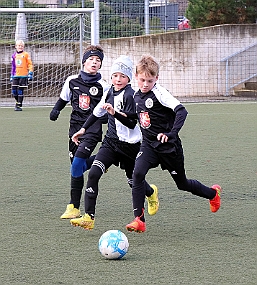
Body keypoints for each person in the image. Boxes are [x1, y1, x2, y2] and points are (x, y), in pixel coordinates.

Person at [125, 55, 222, 233]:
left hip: (169, 148)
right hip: (149, 146)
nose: (145, 84)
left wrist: (171, 134)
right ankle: (139, 220)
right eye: (142, 80)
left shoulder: (160, 93)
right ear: (136, 76)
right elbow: (137, 118)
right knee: (137, 174)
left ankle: (213, 194)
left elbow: (181, 111)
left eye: (150, 80)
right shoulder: (136, 95)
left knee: (182, 184)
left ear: (157, 78)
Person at [69, 55, 147, 230]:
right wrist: (82, 130)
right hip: (110, 143)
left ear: (128, 78)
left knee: (134, 181)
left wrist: (114, 113)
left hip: (129, 147)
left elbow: (131, 123)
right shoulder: (109, 91)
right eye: (115, 75)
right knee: (94, 173)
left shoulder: (130, 96)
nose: (118, 80)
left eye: (122, 76)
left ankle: (150, 195)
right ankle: (89, 217)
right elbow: (96, 113)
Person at [49, 45, 110, 219]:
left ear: (100, 65)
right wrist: (56, 110)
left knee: (76, 165)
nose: (94, 62)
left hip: (92, 129)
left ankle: (73, 206)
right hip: (74, 128)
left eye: (98, 60)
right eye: (91, 59)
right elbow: (63, 98)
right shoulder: (72, 81)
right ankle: (102, 161)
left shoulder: (103, 86)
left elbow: (107, 107)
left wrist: (105, 117)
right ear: (84, 62)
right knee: (77, 167)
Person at [10, 39, 34, 111]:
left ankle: (18, 105)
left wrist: (30, 73)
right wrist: (11, 75)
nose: (20, 47)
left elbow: (30, 64)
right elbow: (13, 66)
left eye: (21, 46)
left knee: (20, 90)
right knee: (14, 91)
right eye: (19, 45)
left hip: (23, 76)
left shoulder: (26, 54)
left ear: (23, 47)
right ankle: (18, 102)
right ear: (16, 46)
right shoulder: (14, 55)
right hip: (15, 75)